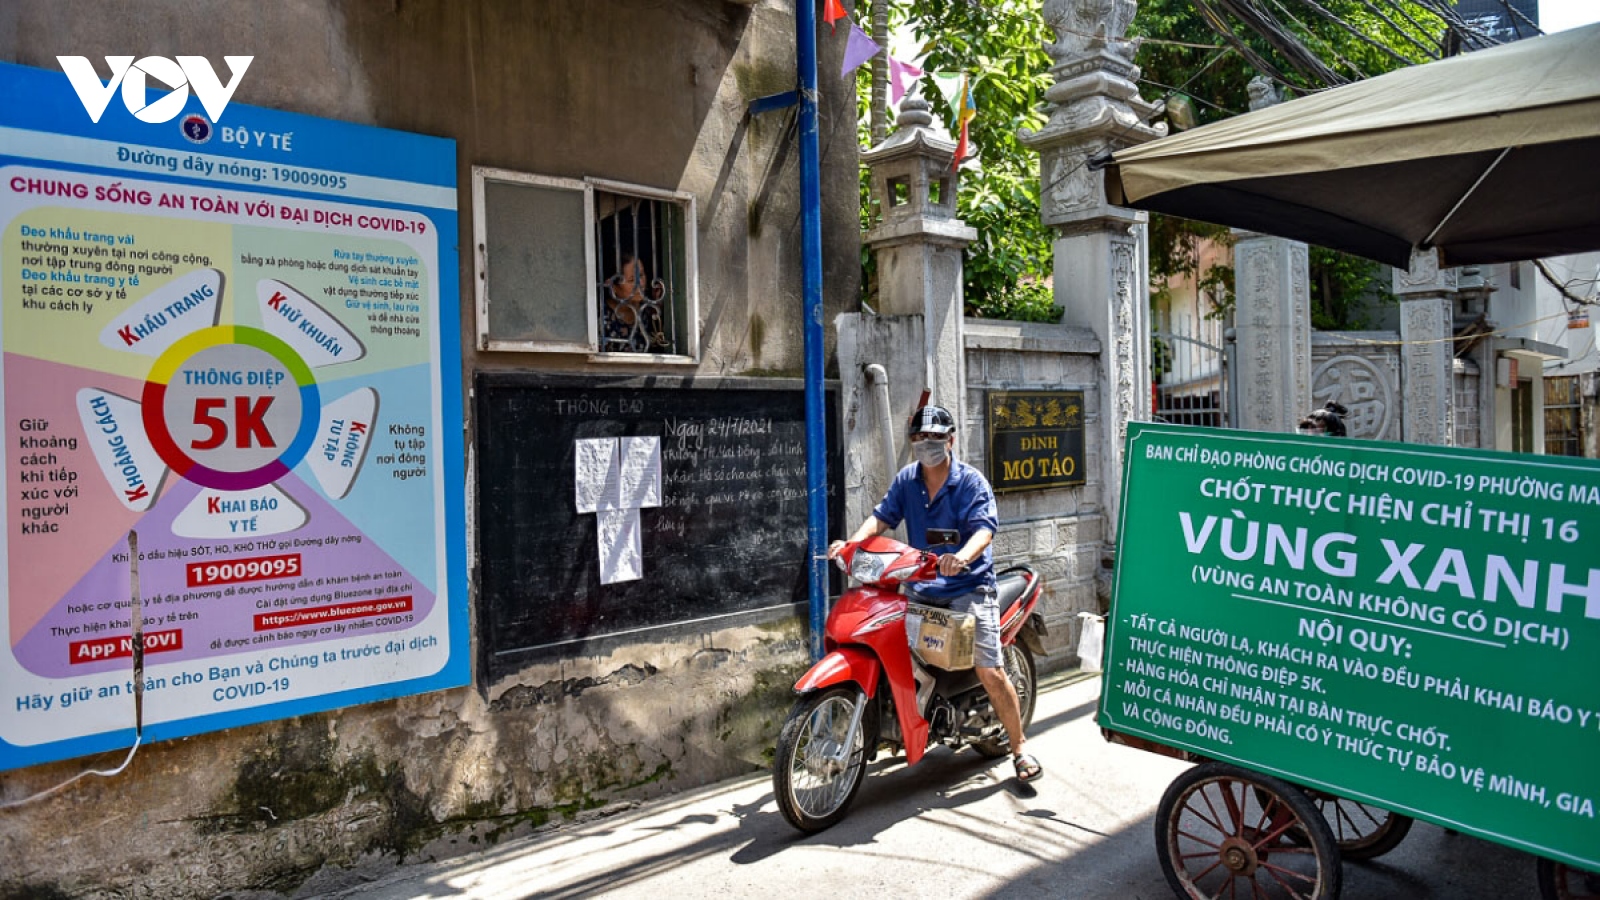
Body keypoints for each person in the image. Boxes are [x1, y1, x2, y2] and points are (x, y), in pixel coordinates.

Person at [828, 404, 1042, 784]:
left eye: (935, 438)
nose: (926, 445)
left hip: (968, 587)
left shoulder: (972, 483)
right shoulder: (907, 480)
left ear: (950, 441)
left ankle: (1020, 746)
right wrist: (852, 544)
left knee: (989, 670)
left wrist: (960, 557)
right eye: (919, 438)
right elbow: (882, 517)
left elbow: (984, 530)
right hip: (921, 587)